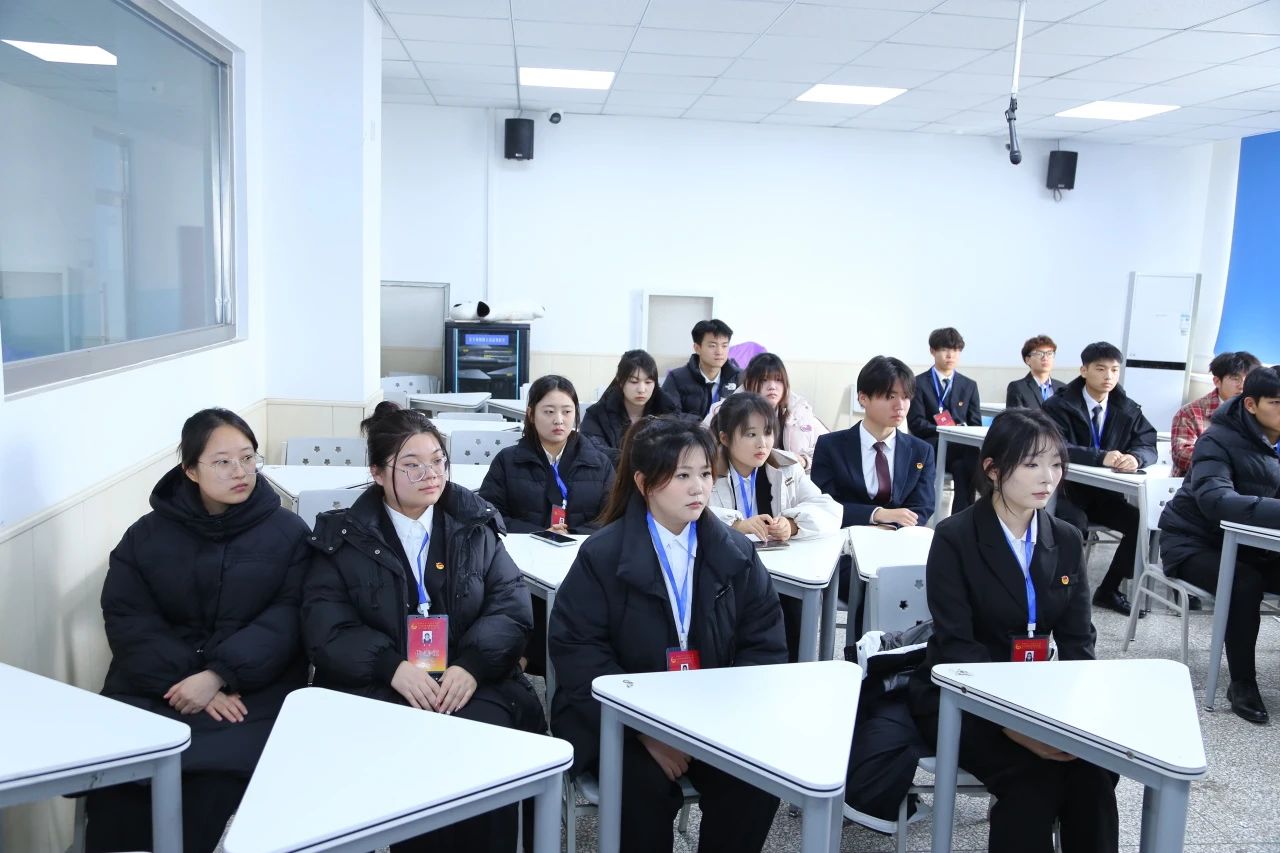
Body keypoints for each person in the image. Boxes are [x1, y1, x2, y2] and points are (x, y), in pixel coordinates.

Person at [303, 402, 544, 853]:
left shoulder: (474, 526)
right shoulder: (343, 539)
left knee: (485, 756)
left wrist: (472, 665)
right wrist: (390, 666)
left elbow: (510, 608)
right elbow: (327, 628)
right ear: (377, 473)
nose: (430, 474)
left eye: (437, 461)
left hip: (471, 683)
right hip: (379, 687)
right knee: (415, 766)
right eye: (411, 465)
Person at [548, 417, 787, 853]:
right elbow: (578, 652)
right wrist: (644, 732)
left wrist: (716, 725)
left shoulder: (736, 553)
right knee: (641, 789)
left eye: (705, 474)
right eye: (681, 476)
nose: (698, 488)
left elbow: (764, 645)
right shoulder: (602, 556)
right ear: (644, 483)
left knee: (757, 780)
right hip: (621, 722)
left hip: (714, 717)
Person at [88, 409, 310, 853]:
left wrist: (217, 675)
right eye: (223, 462)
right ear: (191, 470)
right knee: (118, 788)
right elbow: (129, 618)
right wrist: (186, 679)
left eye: (248, 458)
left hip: (250, 693)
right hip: (156, 687)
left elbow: (288, 619)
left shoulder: (288, 532)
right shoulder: (145, 536)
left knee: (215, 790)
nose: (240, 472)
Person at [909, 408, 1118, 853]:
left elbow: (1079, 640)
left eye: (1056, 464)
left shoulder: (1065, 538)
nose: (1048, 477)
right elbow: (957, 645)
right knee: (1032, 780)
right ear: (993, 469)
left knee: (1095, 773)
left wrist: (1077, 719)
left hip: (1040, 695)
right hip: (964, 697)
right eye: (1031, 464)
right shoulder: (954, 537)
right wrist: (1015, 727)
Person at [1159, 365, 1280, 723]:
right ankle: (1242, 683)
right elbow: (1217, 501)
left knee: (1248, 573)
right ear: (1251, 405)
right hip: (1194, 543)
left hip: (1253, 546)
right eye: (1277, 402)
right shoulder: (1217, 440)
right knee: (1243, 582)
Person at [479, 374, 614, 675]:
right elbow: (489, 512)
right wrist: (539, 533)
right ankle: (525, 661)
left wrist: (572, 535)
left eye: (567, 411)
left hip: (581, 559)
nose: (559, 420)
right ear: (531, 414)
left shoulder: (598, 462)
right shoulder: (508, 460)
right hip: (524, 561)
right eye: (549, 411)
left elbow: (611, 516)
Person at [708, 391, 842, 660]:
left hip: (780, 574)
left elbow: (830, 509)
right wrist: (737, 525)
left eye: (768, 432)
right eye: (750, 434)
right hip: (725, 574)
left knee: (792, 612)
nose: (762, 443)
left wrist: (792, 524)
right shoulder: (706, 469)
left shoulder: (785, 466)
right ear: (724, 438)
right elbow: (692, 513)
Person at [811, 356, 936, 632]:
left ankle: (905, 651)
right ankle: (861, 651)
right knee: (871, 586)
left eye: (906, 397)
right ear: (863, 398)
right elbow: (823, 505)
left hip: (899, 547)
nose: (900, 405)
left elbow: (923, 507)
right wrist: (877, 515)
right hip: (846, 550)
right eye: (890, 396)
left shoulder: (920, 451)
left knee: (932, 583)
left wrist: (889, 528)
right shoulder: (831, 446)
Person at [1042, 342, 1158, 617]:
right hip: (1065, 491)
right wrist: (1099, 457)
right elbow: (1053, 445)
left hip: (1105, 494)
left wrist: (1136, 458)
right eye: (1101, 369)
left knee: (1140, 522)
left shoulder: (1127, 408)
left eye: (1115, 370)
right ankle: (1065, 591)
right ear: (1084, 370)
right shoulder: (1058, 405)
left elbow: (1148, 442)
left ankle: (1109, 589)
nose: (1109, 376)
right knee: (1074, 525)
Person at [702, 352, 829, 471]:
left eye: (778, 380)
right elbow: (702, 450)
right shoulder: (724, 411)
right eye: (764, 380)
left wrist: (804, 461)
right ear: (748, 383)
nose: (772, 386)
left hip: (790, 482)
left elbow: (829, 449)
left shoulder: (799, 412)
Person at [908, 327, 983, 515]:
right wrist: (945, 430)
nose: (950, 355)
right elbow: (916, 423)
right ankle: (988, 493)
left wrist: (960, 431)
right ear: (932, 351)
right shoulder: (918, 383)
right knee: (971, 457)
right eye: (944, 349)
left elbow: (975, 423)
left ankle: (960, 519)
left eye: (955, 350)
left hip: (959, 452)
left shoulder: (969, 385)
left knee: (962, 467)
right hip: (931, 446)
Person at [1170, 350, 1261, 477]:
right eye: (1235, 378)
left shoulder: (1258, 411)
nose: (1242, 386)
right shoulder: (1190, 413)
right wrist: (1231, 463)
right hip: (1196, 482)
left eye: (1248, 379)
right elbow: (1182, 456)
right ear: (1217, 381)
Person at [581, 349, 681, 464]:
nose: (642, 389)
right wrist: (638, 459)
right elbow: (592, 450)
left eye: (648, 382)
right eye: (634, 381)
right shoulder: (597, 415)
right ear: (620, 382)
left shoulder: (667, 413)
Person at [661, 318, 741, 418]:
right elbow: (668, 415)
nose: (719, 352)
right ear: (697, 348)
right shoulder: (676, 378)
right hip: (691, 428)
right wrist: (701, 424)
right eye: (712, 346)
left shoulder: (739, 378)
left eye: (724, 346)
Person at [1006, 335, 1067, 410]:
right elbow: (1014, 416)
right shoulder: (1017, 388)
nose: (1045, 358)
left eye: (1049, 353)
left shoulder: (1062, 388)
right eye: (1039, 354)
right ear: (1027, 360)